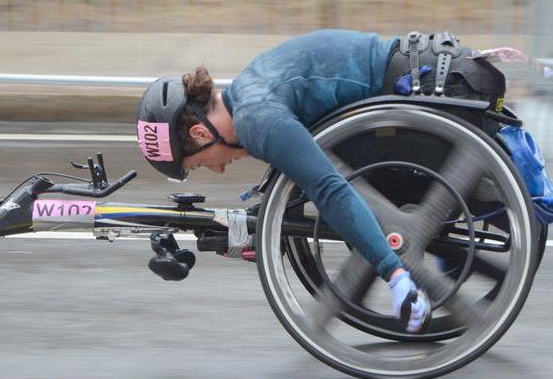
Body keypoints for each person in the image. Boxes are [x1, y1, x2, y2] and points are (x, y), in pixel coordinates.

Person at [136, 29, 430, 333]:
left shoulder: (254, 120)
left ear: (200, 133)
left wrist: (394, 274)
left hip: (420, 83)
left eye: (200, 163)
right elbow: (304, 170)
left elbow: (328, 188)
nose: (218, 170)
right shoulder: (249, 91)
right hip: (413, 72)